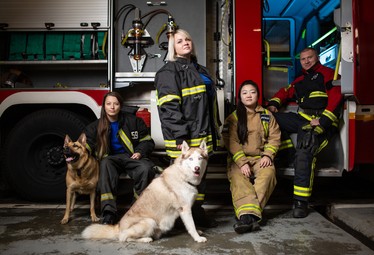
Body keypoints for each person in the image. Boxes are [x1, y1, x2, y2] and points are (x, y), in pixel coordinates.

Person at [154, 29, 222, 228]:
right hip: (185, 138)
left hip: (203, 134)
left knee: (200, 178)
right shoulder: (168, 72)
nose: (185, 42)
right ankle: (176, 218)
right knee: (181, 181)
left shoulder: (199, 69)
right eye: (179, 41)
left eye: (188, 39)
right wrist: (180, 135)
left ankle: (196, 213)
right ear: (172, 48)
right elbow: (169, 108)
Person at [267, 47, 342, 218]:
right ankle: (288, 152)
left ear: (317, 58)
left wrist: (322, 121)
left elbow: (336, 98)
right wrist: (274, 104)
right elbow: (285, 92)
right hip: (303, 119)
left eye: (310, 58)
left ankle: (300, 202)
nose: (306, 61)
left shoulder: (329, 74)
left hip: (320, 123)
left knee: (304, 151)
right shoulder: (300, 79)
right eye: (303, 59)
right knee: (270, 118)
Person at [84, 91, 156, 225]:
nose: (112, 107)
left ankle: (137, 210)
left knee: (146, 169)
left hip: (132, 157)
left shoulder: (134, 121)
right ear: (104, 106)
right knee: (105, 164)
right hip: (111, 159)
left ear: (120, 106)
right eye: (109, 104)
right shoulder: (95, 127)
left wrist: (140, 152)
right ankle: (109, 213)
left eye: (116, 104)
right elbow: (85, 145)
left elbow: (147, 141)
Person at [223, 80, 281, 234]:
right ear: (240, 98)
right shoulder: (233, 118)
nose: (249, 95)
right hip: (239, 159)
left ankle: (247, 217)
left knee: (268, 174)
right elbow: (231, 141)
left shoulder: (267, 116)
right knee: (239, 180)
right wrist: (242, 163)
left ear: (258, 95)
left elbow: (274, 137)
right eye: (244, 92)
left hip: (260, 158)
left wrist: (268, 155)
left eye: (252, 92)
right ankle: (251, 218)